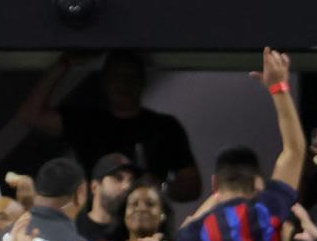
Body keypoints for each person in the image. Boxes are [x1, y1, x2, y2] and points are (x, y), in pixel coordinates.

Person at [169, 48, 305, 241]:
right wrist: (278, 86)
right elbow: (295, 151)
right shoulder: (267, 209)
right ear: (257, 182)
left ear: (215, 182)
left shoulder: (194, 232)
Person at [17, 50, 200, 201]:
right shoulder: (87, 121)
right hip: (96, 224)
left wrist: (159, 186)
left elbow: (191, 185)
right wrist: (64, 63)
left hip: (147, 221)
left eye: (130, 77)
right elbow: (30, 115)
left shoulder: (164, 127)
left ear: (141, 80)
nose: (124, 83)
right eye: (117, 77)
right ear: (105, 82)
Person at [75, 153, 139, 241]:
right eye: (118, 178)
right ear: (94, 186)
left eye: (130, 181)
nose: (126, 187)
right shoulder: (75, 229)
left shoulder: (131, 230)